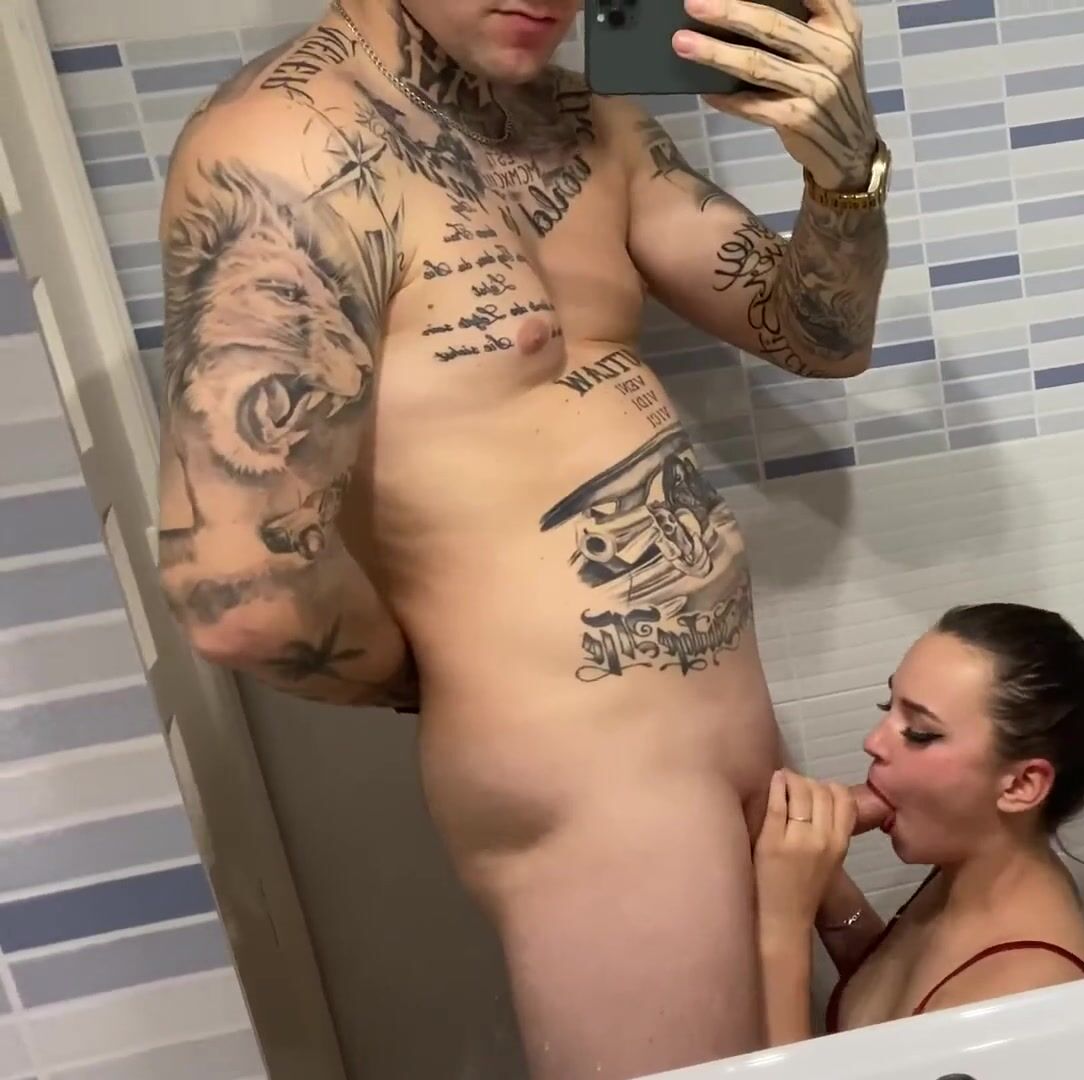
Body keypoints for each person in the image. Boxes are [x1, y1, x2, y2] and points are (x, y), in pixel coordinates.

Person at [153, 0, 891, 1075]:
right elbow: (239, 594)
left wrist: (845, 173)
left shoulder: (586, 120)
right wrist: (468, 675)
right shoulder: (286, 147)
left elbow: (822, 336)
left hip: (729, 739)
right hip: (593, 788)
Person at [752, 603, 1084, 1045]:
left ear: (1021, 784)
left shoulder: (1021, 995)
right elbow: (887, 1017)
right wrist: (823, 881)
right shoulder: (974, 871)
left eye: (920, 731)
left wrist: (782, 929)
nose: (873, 741)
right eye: (889, 707)